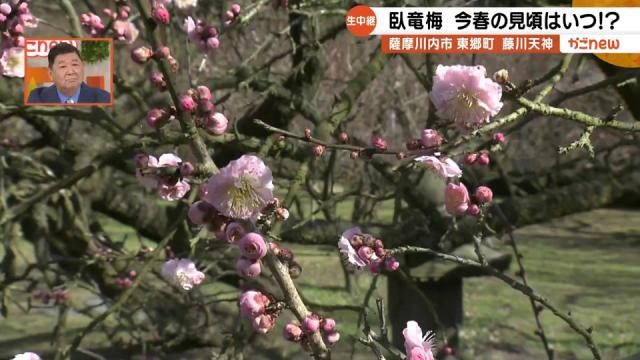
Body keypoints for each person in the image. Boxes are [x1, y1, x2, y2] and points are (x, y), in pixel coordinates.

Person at [27, 42, 110, 104]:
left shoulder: (102, 98)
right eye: (63, 66)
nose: (70, 72)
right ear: (50, 74)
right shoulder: (37, 97)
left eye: (75, 64)